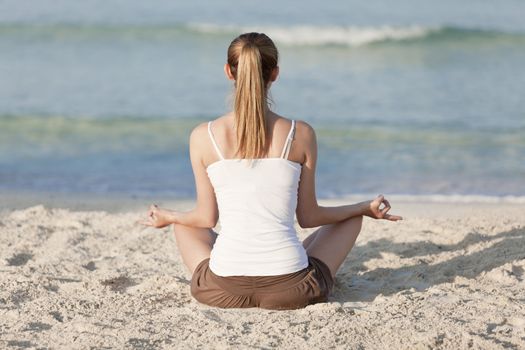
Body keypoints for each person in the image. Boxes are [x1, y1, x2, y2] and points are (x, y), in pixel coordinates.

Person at [140, 32, 402, 310]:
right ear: (274, 74)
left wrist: (168, 216)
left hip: (222, 291)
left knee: (183, 224)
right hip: (293, 290)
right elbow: (309, 216)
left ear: (229, 72)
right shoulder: (300, 133)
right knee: (352, 217)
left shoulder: (203, 136)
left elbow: (206, 218)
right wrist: (364, 207)